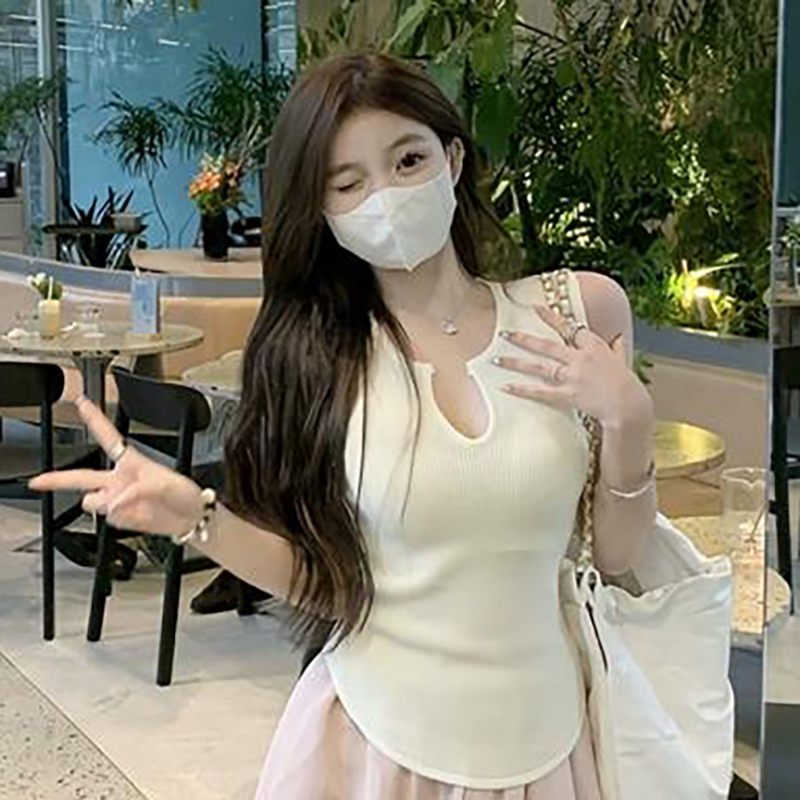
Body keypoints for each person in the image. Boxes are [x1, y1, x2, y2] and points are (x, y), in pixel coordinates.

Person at [30, 51, 657, 800]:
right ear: (321, 210)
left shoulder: (577, 311)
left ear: (454, 160)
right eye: (348, 182)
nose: (386, 196)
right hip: (374, 747)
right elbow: (325, 584)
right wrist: (195, 517)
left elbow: (615, 557)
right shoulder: (315, 358)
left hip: (549, 742)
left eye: (408, 160)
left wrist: (631, 419)